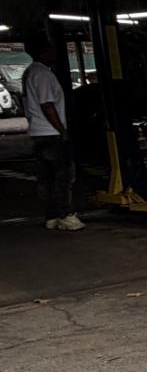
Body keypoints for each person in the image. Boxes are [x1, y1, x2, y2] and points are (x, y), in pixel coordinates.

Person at [22, 31, 83, 231]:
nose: (54, 54)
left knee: (46, 178)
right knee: (63, 176)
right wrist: (61, 129)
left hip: (38, 133)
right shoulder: (44, 75)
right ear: (44, 52)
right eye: (51, 50)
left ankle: (51, 217)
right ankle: (66, 215)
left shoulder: (29, 72)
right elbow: (47, 105)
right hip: (51, 133)